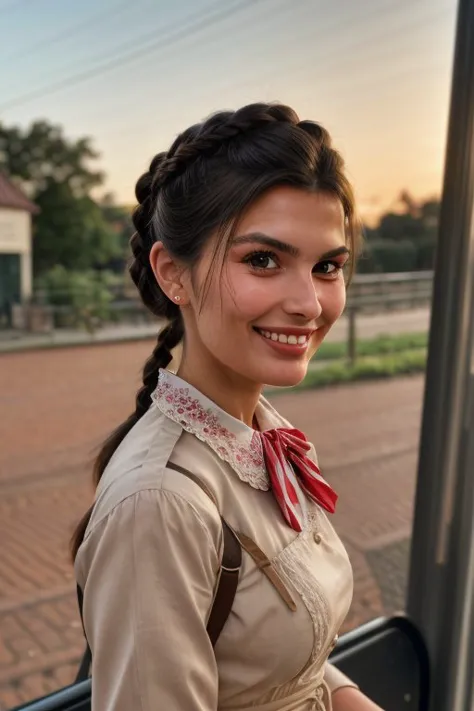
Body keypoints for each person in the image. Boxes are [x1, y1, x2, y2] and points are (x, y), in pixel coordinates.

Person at [72, 102, 383, 710]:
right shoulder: (160, 503)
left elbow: (298, 663)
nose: (308, 304)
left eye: (327, 267)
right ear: (173, 274)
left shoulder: (267, 436)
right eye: (263, 260)